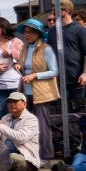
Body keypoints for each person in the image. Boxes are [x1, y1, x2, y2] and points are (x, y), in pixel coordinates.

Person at [17, 17, 60, 160]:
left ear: (38, 34)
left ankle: (46, 155)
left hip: (42, 93)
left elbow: (54, 71)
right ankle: (32, 154)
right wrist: (18, 66)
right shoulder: (24, 48)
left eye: (30, 32)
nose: (27, 35)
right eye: (25, 32)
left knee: (42, 125)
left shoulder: (46, 49)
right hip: (25, 93)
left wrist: (35, 75)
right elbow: (24, 66)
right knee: (28, 125)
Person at [55, 0, 86, 107]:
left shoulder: (79, 29)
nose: (54, 11)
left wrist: (85, 73)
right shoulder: (52, 31)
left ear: (66, 11)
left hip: (76, 78)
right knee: (60, 111)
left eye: (57, 8)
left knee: (77, 110)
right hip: (57, 80)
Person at [0, 91, 41, 171]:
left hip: (26, 158)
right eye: (9, 102)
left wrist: (0, 126)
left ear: (24, 104)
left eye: (15, 101)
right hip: (4, 154)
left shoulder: (31, 119)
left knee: (12, 158)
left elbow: (21, 138)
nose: (12, 104)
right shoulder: (5, 118)